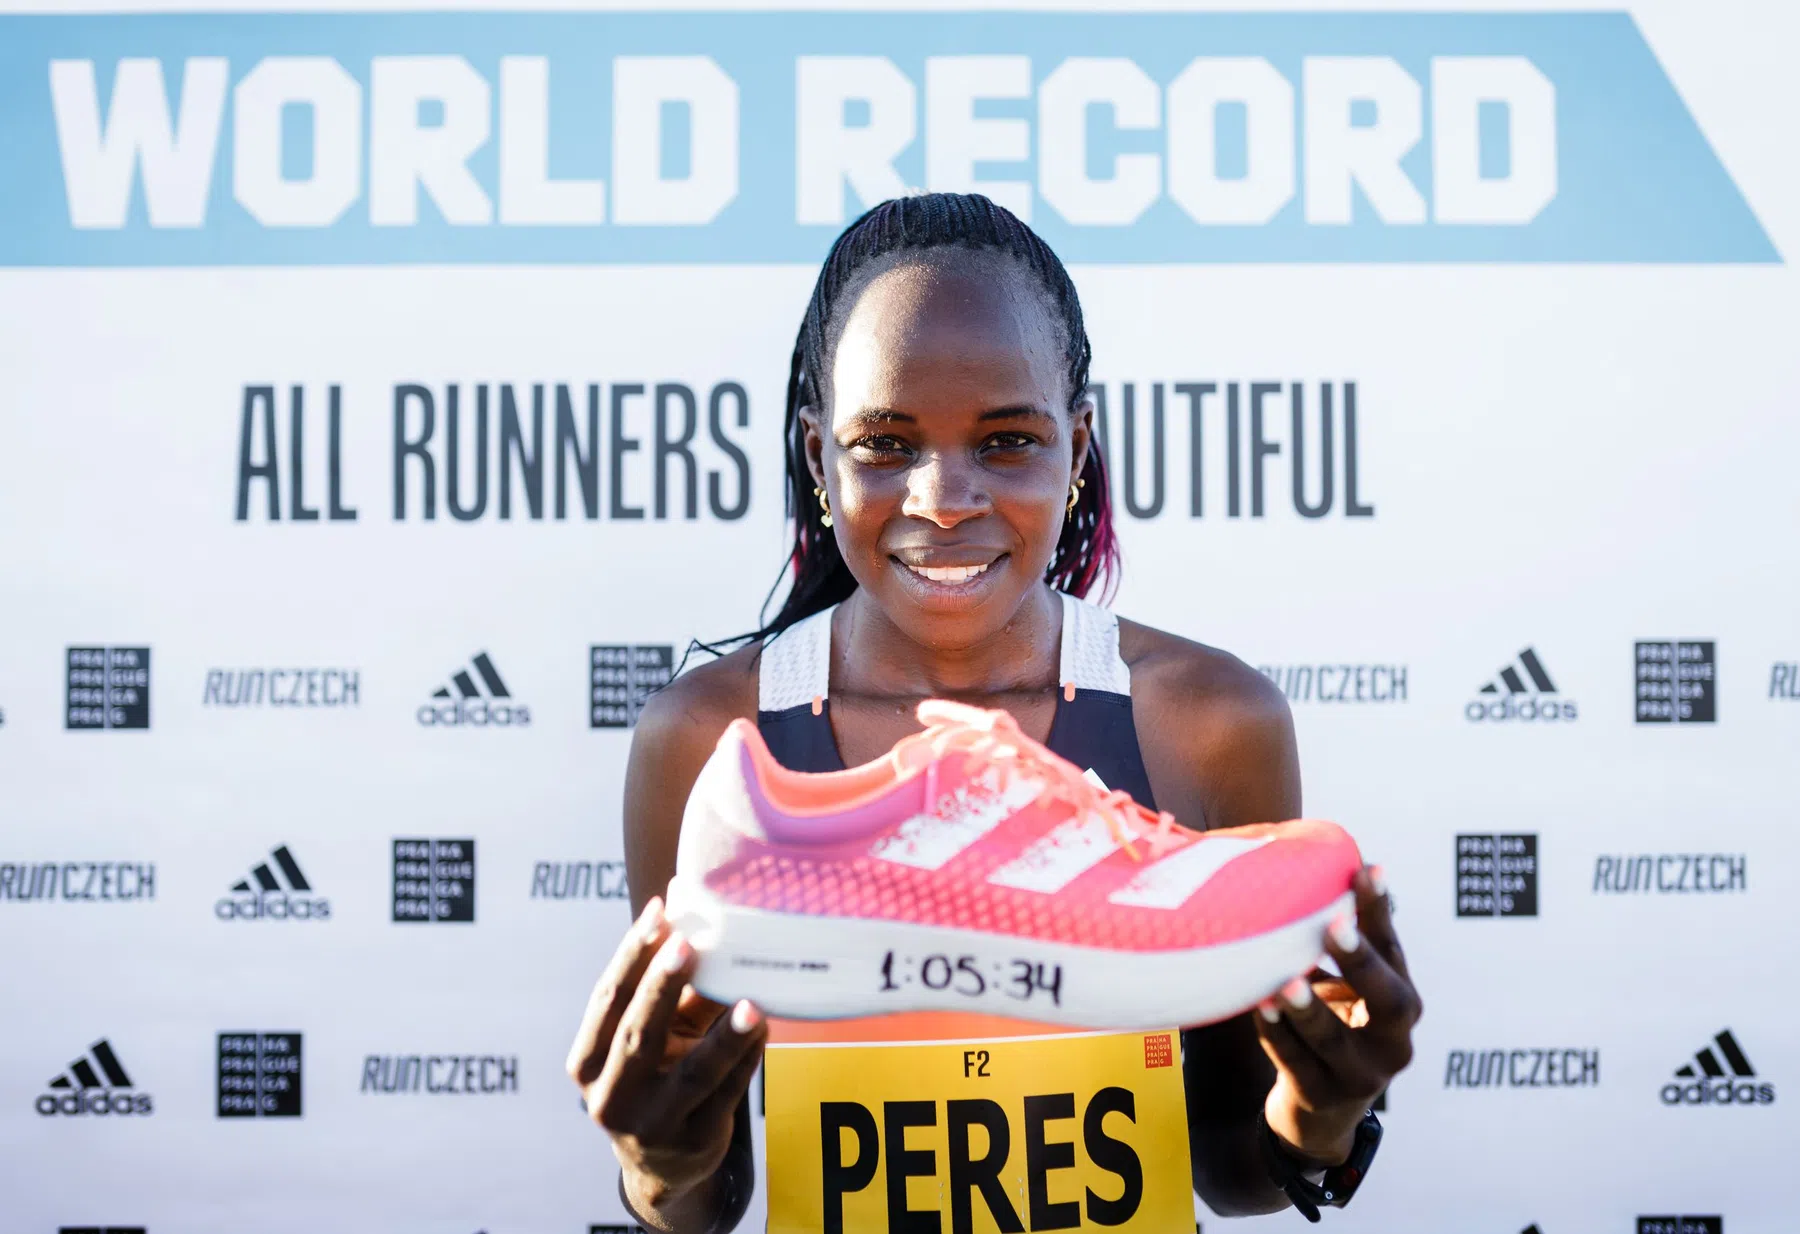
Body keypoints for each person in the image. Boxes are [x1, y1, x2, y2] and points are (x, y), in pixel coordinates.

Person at [566, 192, 1421, 1231]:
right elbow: (705, 1196)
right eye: (884, 442)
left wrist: (1324, 1116)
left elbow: (1235, 1167)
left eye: (1008, 439)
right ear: (817, 460)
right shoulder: (709, 744)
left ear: (1076, 448)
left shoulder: (1208, 722)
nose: (943, 496)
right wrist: (656, 1166)